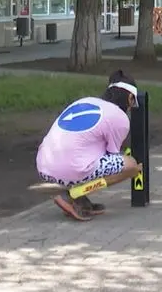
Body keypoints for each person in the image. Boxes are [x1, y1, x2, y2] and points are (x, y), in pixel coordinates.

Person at [36, 70, 143, 221]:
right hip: (68, 168)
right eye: (133, 103)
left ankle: (79, 200)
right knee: (131, 166)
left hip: (44, 165)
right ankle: (73, 195)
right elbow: (112, 157)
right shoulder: (120, 117)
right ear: (130, 98)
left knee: (86, 154)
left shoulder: (85, 101)